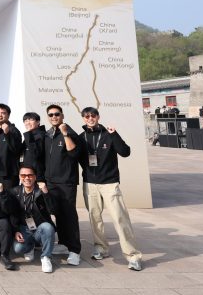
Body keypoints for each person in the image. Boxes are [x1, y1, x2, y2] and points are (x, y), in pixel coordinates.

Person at [79, 107, 143, 271]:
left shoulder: (109, 134)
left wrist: (115, 135)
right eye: (87, 116)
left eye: (93, 115)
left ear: (98, 117)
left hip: (109, 183)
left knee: (120, 218)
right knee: (95, 218)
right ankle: (101, 248)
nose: (90, 118)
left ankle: (133, 256)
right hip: (90, 183)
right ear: (83, 119)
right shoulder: (81, 137)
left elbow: (125, 152)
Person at [42, 104, 84, 266]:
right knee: (58, 214)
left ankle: (74, 250)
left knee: (69, 215)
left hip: (66, 182)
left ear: (62, 115)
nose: (54, 117)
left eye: (57, 114)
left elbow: (74, 154)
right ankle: (64, 244)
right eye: (51, 114)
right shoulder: (48, 135)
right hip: (51, 182)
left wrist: (65, 133)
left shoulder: (70, 132)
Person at [11, 164, 55, 273]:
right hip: (24, 229)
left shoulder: (41, 191)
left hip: (40, 228)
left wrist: (45, 193)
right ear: (19, 177)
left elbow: (53, 210)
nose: (27, 178)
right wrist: (15, 231)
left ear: (35, 177)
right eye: (23, 175)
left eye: (30, 175)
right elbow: (10, 213)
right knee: (18, 248)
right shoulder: (14, 192)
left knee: (48, 227)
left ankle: (46, 257)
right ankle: (30, 247)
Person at [0, 103, 23, 189]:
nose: (0, 115)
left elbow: (16, 150)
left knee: (9, 195)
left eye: (3, 113)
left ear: (8, 115)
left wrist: (7, 134)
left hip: (9, 173)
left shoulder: (13, 130)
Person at [21, 112, 46, 178]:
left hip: (37, 173)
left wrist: (28, 134)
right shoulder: (30, 134)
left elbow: (35, 153)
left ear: (38, 122)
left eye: (31, 120)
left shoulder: (41, 135)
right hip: (28, 172)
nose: (28, 122)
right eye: (26, 121)